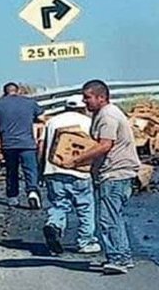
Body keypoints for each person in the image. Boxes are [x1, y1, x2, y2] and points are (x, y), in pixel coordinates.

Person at [68, 80, 143, 275]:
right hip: (117, 173)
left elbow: (104, 145)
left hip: (115, 173)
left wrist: (77, 160)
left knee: (108, 218)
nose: (85, 102)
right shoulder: (106, 113)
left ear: (101, 97)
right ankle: (123, 256)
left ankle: (117, 258)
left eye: (88, 97)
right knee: (114, 216)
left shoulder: (107, 116)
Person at [40, 96, 100, 256]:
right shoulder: (90, 122)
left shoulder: (52, 122)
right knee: (85, 206)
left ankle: (54, 225)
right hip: (80, 171)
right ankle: (86, 242)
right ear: (83, 107)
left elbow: (41, 146)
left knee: (59, 204)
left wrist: (41, 171)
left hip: (53, 169)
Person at [0, 82, 45, 209]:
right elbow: (42, 118)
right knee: (30, 169)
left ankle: (13, 197)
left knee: (11, 170)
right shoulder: (30, 103)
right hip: (27, 143)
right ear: (18, 91)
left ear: (5, 92)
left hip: (8, 144)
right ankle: (32, 191)